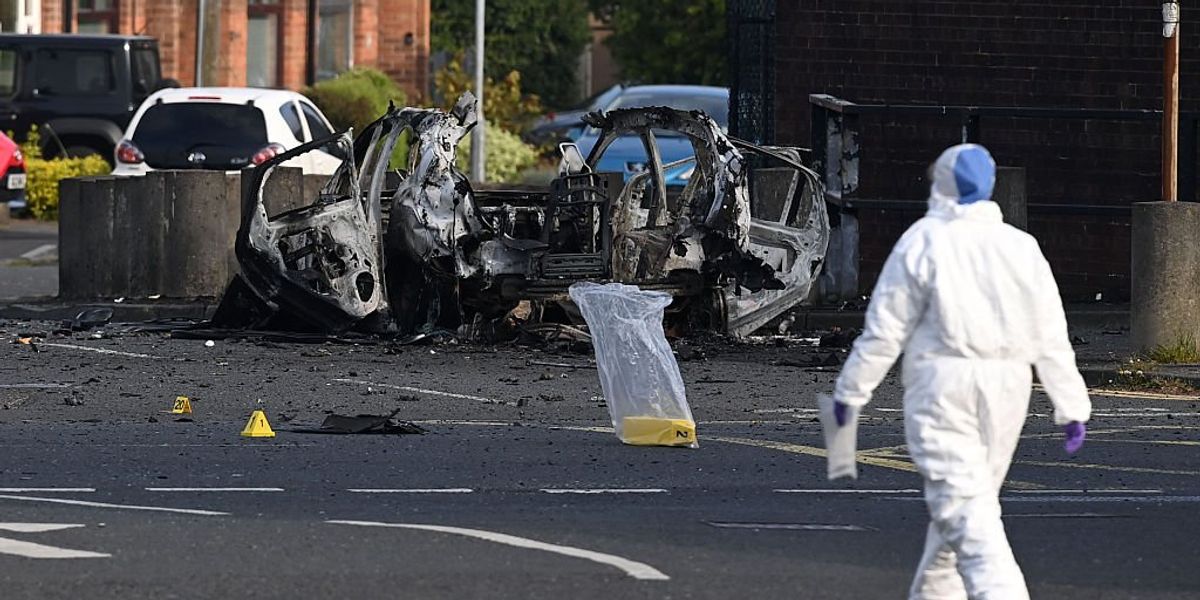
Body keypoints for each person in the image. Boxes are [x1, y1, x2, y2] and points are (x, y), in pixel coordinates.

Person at [829, 143, 1092, 600]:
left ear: (941, 185)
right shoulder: (1020, 246)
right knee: (967, 506)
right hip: (1009, 387)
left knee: (967, 515)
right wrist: (1071, 404)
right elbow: (1050, 332)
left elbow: (885, 330)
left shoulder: (924, 239)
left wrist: (849, 395)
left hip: (941, 386)